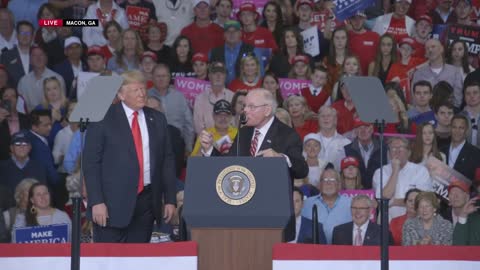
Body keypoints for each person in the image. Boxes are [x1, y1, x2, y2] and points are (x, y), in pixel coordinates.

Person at [83, 70, 177, 243]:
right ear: (121, 94)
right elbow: (91, 164)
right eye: (136, 90)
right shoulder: (101, 119)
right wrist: (96, 201)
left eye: (143, 89)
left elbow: (167, 161)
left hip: (146, 204)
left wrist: (170, 199)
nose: (142, 94)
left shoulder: (157, 119)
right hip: (110, 205)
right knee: (109, 261)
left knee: (138, 260)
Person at [199, 88, 308, 180]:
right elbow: (229, 164)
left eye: (251, 107)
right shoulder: (244, 132)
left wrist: (281, 158)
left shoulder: (288, 134)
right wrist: (209, 149)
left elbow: (302, 170)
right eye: (245, 106)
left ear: (267, 110)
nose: (245, 110)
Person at [373, 137, 433, 221]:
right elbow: (384, 198)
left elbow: (421, 200)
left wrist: (394, 202)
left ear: (408, 152)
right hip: (388, 221)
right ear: (389, 153)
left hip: (415, 221)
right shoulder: (380, 172)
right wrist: (395, 171)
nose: (397, 151)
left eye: (401, 148)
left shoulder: (420, 171)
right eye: (393, 148)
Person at [148, 64, 194, 156]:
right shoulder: (144, 96)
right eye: (158, 76)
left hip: (176, 144)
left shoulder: (179, 97)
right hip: (152, 145)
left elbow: (188, 124)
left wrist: (189, 147)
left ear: (169, 77)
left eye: (164, 76)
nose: (161, 79)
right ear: (152, 78)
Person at [301, 168, 352, 244]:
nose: (328, 183)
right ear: (319, 185)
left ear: (339, 185)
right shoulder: (307, 203)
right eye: (324, 180)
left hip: (343, 252)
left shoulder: (351, 203)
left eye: (332, 180)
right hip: (314, 252)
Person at [411, 38, 464, 109]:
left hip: (448, 115)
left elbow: (458, 98)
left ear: (441, 49)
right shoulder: (419, 73)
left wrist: (448, 113)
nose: (430, 50)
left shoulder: (454, 72)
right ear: (425, 53)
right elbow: (414, 99)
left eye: (433, 47)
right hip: (425, 116)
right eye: (427, 48)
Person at [17, 46, 66, 112]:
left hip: (52, 118)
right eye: (34, 56)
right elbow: (20, 107)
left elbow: (62, 104)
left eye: (41, 55)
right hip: (30, 119)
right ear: (30, 60)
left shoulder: (58, 79)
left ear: (46, 59)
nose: (38, 58)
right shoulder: (23, 81)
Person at [210, 20, 259, 85]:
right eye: (228, 32)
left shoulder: (252, 50)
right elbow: (210, 74)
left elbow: (259, 73)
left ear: (240, 33)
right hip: (221, 90)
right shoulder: (214, 52)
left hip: (245, 89)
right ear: (224, 35)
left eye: (235, 31)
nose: (231, 34)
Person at [344, 118, 388, 189]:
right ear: (355, 131)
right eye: (359, 128)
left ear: (372, 129)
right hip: (355, 191)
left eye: (366, 127)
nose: (363, 131)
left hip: (379, 191)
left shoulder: (384, 149)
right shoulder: (347, 150)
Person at [193, 62, 234, 135]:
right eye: (215, 73)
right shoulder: (200, 98)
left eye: (221, 73)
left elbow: (234, 123)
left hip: (230, 139)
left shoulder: (233, 97)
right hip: (206, 141)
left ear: (225, 76)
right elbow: (198, 127)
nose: (218, 76)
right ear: (209, 76)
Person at [441, 114, 480, 181]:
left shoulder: (475, 153)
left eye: (461, 128)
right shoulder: (441, 150)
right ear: (450, 128)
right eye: (454, 127)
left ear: (467, 130)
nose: (457, 131)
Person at [26, 110, 59, 187]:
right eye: (46, 125)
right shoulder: (38, 146)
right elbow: (50, 172)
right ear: (34, 127)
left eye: (50, 124)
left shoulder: (33, 137)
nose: (50, 128)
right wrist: (59, 183)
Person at [34, 77, 69, 147]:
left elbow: (76, 129)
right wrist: (51, 121)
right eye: (48, 90)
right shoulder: (39, 109)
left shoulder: (69, 105)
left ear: (60, 89)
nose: (52, 92)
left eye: (55, 88)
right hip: (46, 146)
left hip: (68, 145)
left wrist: (60, 119)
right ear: (45, 93)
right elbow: (36, 133)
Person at [0, 20, 34, 88]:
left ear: (32, 36)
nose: (25, 36)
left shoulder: (40, 55)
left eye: (28, 33)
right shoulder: (5, 56)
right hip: (13, 95)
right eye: (22, 33)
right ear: (17, 35)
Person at [0, 87, 30, 161]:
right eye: (6, 96)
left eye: (13, 96)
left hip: (24, 160)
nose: (9, 99)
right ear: (1, 100)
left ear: (17, 100)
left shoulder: (26, 118)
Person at [317, 106, 350, 171]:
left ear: (335, 120)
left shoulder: (346, 143)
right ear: (318, 120)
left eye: (329, 116)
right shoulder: (310, 140)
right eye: (322, 116)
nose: (325, 118)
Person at [459, 81, 480, 148]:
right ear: (464, 97)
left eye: (475, 93)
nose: (472, 96)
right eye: (468, 93)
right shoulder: (459, 116)